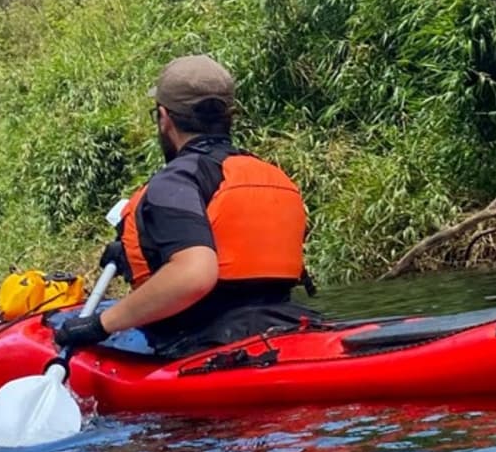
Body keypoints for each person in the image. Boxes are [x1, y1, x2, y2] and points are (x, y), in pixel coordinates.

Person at [53, 55, 310, 356]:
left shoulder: (176, 181)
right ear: (230, 116)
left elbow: (194, 275)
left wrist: (101, 324)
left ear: (164, 117)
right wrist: (146, 251)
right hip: (288, 327)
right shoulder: (271, 175)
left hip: (201, 346)